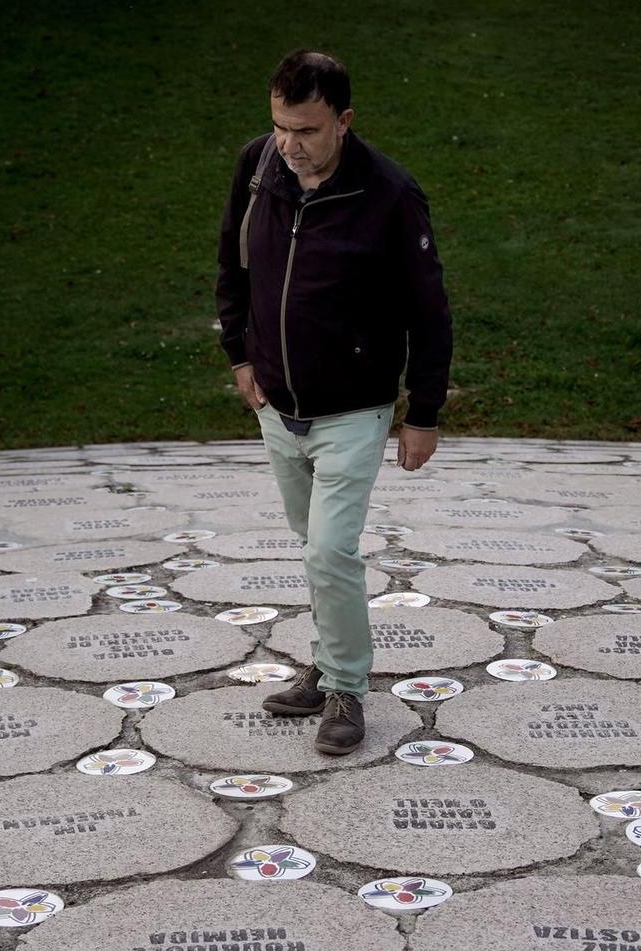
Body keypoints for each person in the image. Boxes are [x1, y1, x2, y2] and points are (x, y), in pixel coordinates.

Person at [215, 49, 453, 755]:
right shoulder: (259, 166)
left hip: (354, 408)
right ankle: (323, 666)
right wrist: (238, 353)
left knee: (329, 549)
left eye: (307, 130)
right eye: (280, 125)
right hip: (278, 404)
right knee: (313, 547)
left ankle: (346, 686)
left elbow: (429, 311)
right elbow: (231, 261)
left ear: (344, 121)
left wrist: (424, 412)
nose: (289, 145)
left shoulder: (390, 194)